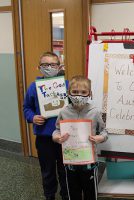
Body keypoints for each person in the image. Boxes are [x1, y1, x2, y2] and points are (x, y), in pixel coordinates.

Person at [52, 75, 108, 200]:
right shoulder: (63, 112)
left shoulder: (95, 112)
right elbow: (56, 130)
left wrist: (100, 138)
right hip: (70, 163)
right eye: (75, 92)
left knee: (90, 193)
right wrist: (57, 138)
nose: (79, 95)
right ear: (68, 93)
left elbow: (104, 132)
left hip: (89, 163)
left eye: (83, 92)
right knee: (73, 193)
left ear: (90, 94)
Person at [23, 52, 68, 200]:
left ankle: (65, 195)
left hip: (64, 137)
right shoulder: (33, 87)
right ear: (39, 67)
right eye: (45, 65)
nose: (49, 67)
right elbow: (27, 108)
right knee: (47, 170)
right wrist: (32, 117)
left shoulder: (66, 85)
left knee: (65, 170)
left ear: (59, 67)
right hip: (44, 137)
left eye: (53, 64)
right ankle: (49, 195)